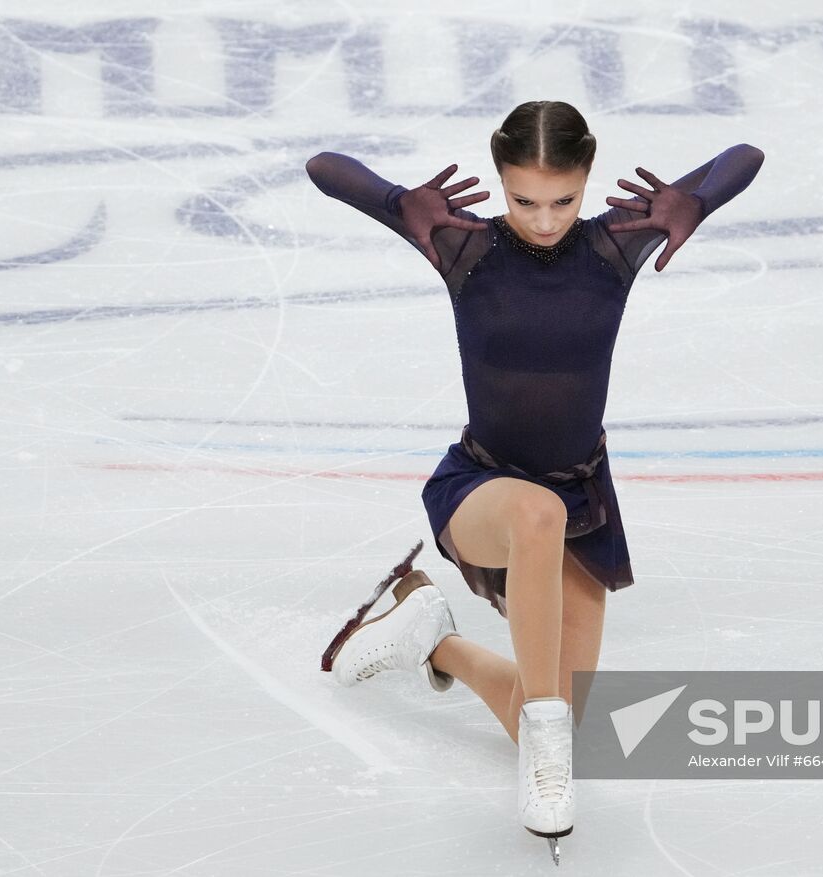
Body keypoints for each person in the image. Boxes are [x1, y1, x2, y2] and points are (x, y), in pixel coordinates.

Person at [309, 100, 763, 862]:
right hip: (480, 491)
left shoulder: (617, 246)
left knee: (548, 715)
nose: (545, 220)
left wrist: (697, 199)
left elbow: (743, 154)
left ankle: (428, 637)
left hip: (582, 501)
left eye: (563, 200)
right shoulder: (462, 246)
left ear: (587, 181)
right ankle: (542, 741)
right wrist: (398, 204)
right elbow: (327, 169)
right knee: (536, 519)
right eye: (524, 200)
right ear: (500, 181)